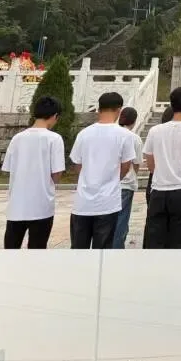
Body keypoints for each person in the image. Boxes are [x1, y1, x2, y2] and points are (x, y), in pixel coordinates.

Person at [143, 87, 181, 249]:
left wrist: (162, 172)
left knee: (155, 240)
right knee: (180, 241)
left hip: (158, 190)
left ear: (171, 105)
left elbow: (150, 162)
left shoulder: (155, 131)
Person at [70, 91, 135, 248]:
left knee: (79, 250)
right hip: (108, 202)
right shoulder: (125, 135)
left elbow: (77, 164)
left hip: (83, 202)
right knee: (103, 252)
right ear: (119, 110)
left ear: (99, 109)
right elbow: (126, 166)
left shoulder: (83, 134)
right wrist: (113, 179)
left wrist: (89, 176)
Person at [2, 95, 65, 249]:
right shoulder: (54, 139)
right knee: (37, 250)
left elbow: (8, 169)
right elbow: (57, 173)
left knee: (11, 250)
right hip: (41, 206)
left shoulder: (17, 138)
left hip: (17, 206)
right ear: (55, 116)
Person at [113, 106, 143, 249]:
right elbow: (136, 163)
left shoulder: (111, 134)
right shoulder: (134, 138)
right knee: (121, 219)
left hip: (109, 183)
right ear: (134, 121)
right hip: (125, 184)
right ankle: (117, 248)